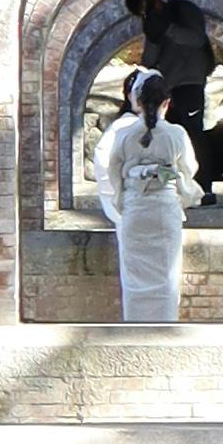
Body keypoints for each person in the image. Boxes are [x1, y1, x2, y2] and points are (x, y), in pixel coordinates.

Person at [89, 62, 202, 332]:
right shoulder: (176, 134)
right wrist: (180, 194)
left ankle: (136, 330)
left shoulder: (124, 134)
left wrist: (123, 202)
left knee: (134, 280)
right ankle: (163, 330)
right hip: (164, 211)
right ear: (167, 102)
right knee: (166, 277)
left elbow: (113, 173)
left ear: (136, 101)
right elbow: (188, 171)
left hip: (135, 212)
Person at [124, 0, 216, 159]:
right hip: (168, 88)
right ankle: (172, 182)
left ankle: (202, 185)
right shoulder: (153, 23)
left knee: (193, 137)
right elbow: (149, 60)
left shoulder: (184, 10)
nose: (150, 11)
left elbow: (196, 40)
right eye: (144, 12)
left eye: (149, 5)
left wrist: (168, 29)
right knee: (168, 137)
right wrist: (153, 35)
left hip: (190, 84)